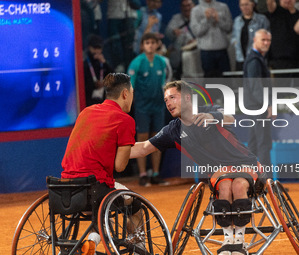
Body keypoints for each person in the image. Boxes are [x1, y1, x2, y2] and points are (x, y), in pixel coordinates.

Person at [130, 80, 266, 255]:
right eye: (166, 100)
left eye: (173, 97)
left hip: (246, 164)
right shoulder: (173, 130)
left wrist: (212, 117)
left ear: (187, 97)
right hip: (221, 173)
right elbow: (143, 148)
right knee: (224, 185)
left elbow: (230, 117)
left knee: (238, 185)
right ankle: (228, 240)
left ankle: (239, 241)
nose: (168, 103)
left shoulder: (209, 110)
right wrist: (110, 150)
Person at [61, 73, 141, 255]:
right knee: (134, 203)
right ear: (125, 94)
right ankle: (139, 248)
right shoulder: (125, 120)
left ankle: (90, 242)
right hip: (95, 188)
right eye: (132, 93)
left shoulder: (85, 112)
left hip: (65, 188)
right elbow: (120, 167)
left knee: (102, 212)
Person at [128, 32, 169, 187]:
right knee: (142, 140)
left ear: (157, 44)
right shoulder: (136, 63)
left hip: (158, 106)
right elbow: (130, 85)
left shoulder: (162, 62)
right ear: (142, 46)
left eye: (153, 42)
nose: (150, 45)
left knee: (157, 140)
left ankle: (156, 174)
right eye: (147, 43)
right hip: (142, 107)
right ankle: (143, 174)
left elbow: (165, 83)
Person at [243, 29, 274, 168]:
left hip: (253, 106)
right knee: (263, 143)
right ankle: (266, 183)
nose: (266, 43)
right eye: (263, 40)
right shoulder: (254, 60)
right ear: (254, 40)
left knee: (255, 144)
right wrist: (268, 104)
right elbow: (255, 86)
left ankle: (253, 182)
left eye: (268, 40)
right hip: (257, 107)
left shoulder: (256, 58)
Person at [190, 0, 233, 77]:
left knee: (226, 79)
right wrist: (206, 19)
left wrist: (218, 20)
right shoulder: (195, 10)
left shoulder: (223, 7)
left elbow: (229, 28)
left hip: (222, 50)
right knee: (209, 81)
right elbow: (197, 32)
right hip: (206, 51)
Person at [266, 0, 299, 74]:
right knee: (282, 85)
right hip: (279, 60)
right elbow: (269, 2)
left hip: (298, 59)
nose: (287, 0)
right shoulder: (275, 12)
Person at [231, 0, 270, 71]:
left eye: (246, 4)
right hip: (240, 58)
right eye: (242, 5)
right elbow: (233, 36)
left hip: (256, 58)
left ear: (252, 4)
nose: (244, 7)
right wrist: (235, 43)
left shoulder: (262, 19)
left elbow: (267, 38)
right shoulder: (237, 20)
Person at [107, 0, 141, 72]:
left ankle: (130, 70)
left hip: (130, 15)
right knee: (115, 44)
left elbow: (138, 4)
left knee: (129, 46)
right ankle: (118, 67)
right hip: (114, 15)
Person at [165, 0, 196, 79]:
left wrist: (196, 41)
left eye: (188, 5)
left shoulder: (200, 17)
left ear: (194, 6)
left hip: (196, 55)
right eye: (184, 6)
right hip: (180, 56)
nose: (186, 8)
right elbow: (168, 32)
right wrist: (173, 32)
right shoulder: (176, 18)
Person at [83, 34, 115, 106]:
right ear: (89, 47)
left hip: (103, 102)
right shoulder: (85, 64)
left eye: (99, 48)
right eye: (94, 48)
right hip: (89, 102)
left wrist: (105, 63)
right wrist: (94, 85)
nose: (97, 51)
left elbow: (114, 77)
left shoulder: (104, 63)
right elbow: (82, 85)